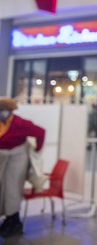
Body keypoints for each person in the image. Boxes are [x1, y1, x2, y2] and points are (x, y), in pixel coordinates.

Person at [0, 97, 46, 239]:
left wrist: (36, 151)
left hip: (17, 159)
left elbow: (40, 132)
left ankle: (14, 221)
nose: (2, 113)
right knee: (2, 188)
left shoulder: (20, 123)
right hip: (2, 158)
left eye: (4, 110)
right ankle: (7, 220)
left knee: (12, 190)